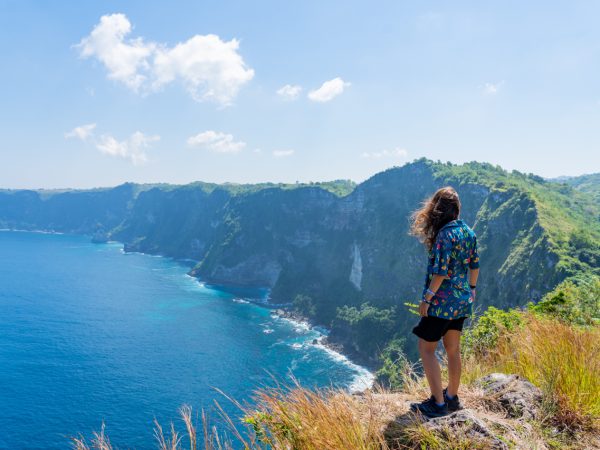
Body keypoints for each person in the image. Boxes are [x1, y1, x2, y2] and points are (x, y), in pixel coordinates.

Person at [408, 186, 480, 418]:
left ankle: (437, 404)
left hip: (441, 302)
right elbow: (474, 265)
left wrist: (427, 299)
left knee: (426, 348)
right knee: (453, 349)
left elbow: (440, 272)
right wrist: (471, 288)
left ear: (437, 211)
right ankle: (452, 398)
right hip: (462, 300)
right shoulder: (469, 232)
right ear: (457, 210)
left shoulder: (444, 235)